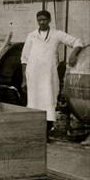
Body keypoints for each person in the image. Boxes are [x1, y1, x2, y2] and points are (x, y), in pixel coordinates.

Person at [21, 10, 83, 141]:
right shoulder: (31, 36)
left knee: (48, 103)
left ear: (49, 20)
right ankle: (35, 134)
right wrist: (24, 79)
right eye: (39, 20)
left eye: (44, 19)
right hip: (33, 76)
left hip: (49, 77)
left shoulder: (56, 34)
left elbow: (78, 41)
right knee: (34, 103)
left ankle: (45, 134)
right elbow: (24, 59)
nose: (41, 22)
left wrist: (74, 54)